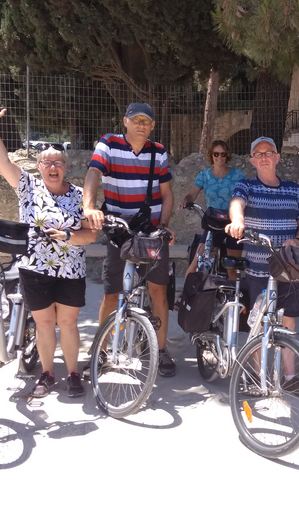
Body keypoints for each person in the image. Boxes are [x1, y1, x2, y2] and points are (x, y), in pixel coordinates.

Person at [0, 99, 97, 398]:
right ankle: (46, 373)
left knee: (67, 323)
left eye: (58, 162)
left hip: (70, 270)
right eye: (47, 163)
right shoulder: (28, 187)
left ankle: (71, 374)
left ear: (65, 167)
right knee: (44, 324)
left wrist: (68, 237)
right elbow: (1, 160)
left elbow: (91, 235)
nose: (53, 167)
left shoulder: (80, 196)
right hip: (35, 268)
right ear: (39, 167)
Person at [83, 102, 178, 377]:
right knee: (112, 294)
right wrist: (89, 207)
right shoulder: (109, 144)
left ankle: (160, 351)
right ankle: (100, 352)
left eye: (146, 121)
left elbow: (167, 194)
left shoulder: (158, 152)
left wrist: (164, 225)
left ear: (152, 126)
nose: (141, 125)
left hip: (151, 232)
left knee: (159, 291)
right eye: (136, 120)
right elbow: (93, 173)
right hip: (119, 231)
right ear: (125, 121)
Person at [225, 136, 299, 389]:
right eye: (258, 154)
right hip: (258, 269)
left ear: (277, 157)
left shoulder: (293, 189)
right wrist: (238, 220)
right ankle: (256, 377)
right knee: (259, 325)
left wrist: (298, 240)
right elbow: (236, 204)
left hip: (289, 268)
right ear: (252, 160)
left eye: (268, 152)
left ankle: (291, 377)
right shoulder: (246, 186)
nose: (264, 157)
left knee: (289, 323)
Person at [179, 140, 245, 279]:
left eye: (223, 154)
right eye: (216, 154)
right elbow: (193, 193)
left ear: (227, 155)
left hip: (232, 223)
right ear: (211, 155)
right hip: (213, 222)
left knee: (232, 268)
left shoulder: (237, 175)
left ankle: (232, 296)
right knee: (198, 261)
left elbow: (245, 194)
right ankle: (187, 295)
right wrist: (187, 200)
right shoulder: (204, 175)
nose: (219, 157)